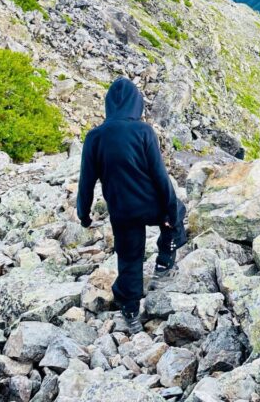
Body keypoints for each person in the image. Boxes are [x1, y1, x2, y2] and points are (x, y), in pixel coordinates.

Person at [76, 77, 186, 334]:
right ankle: (163, 263)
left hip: (122, 212)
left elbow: (86, 181)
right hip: (151, 204)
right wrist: (171, 211)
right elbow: (160, 176)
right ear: (135, 103)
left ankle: (131, 312)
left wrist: (84, 214)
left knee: (129, 258)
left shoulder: (94, 137)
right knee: (178, 211)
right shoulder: (143, 131)